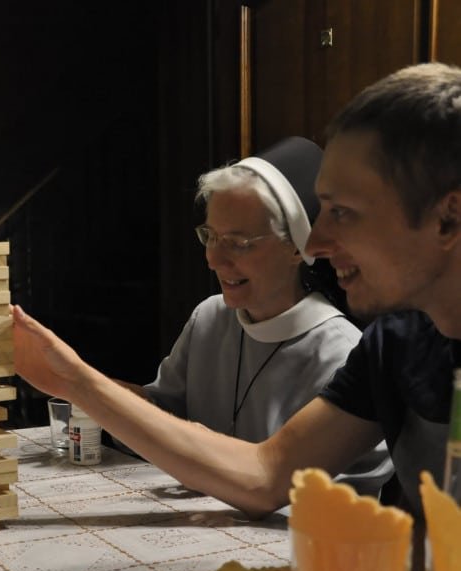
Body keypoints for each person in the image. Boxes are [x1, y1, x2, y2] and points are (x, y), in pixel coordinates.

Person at [10, 61, 461, 527]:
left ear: (447, 218)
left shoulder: (344, 342)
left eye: (343, 212)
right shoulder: (395, 344)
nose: (317, 243)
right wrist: (71, 380)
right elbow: (266, 475)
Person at [112, 136, 392, 496]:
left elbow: (339, 507)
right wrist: (76, 380)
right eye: (210, 236)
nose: (214, 259)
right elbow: (159, 418)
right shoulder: (209, 318)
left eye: (239, 243)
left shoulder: (341, 354)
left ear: (297, 247)